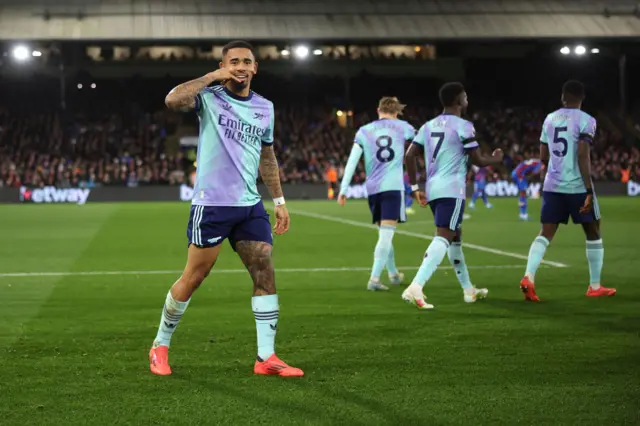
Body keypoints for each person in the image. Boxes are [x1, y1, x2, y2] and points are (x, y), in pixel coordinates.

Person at [149, 40, 303, 377]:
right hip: (213, 204)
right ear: (224, 65)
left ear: (255, 68)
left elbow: (267, 156)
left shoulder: (265, 107)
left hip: (249, 205)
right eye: (233, 61)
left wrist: (279, 201)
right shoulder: (208, 97)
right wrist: (212, 76)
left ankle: (266, 357)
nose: (241, 66)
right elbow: (172, 100)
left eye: (247, 61)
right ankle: (160, 344)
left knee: (263, 267)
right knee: (195, 276)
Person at [403, 82, 503, 309]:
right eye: (465, 96)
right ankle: (416, 286)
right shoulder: (464, 125)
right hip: (452, 188)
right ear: (458, 100)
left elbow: (409, 156)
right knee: (444, 236)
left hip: (433, 188)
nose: (467, 100)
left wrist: (414, 188)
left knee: (455, 237)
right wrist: (496, 159)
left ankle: (469, 290)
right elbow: (477, 159)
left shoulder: (428, 126)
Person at [520, 80, 616, 301]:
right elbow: (583, 154)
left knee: (545, 233)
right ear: (581, 98)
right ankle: (594, 285)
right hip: (577, 186)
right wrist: (589, 189)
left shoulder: (550, 119)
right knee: (593, 231)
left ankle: (529, 276)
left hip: (552, 186)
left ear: (563, 97)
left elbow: (543, 156)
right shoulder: (587, 120)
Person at [337, 97, 416, 291]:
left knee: (384, 233)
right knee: (386, 234)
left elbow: (352, 161)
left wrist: (344, 188)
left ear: (377, 110)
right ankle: (374, 279)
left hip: (372, 189)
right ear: (396, 112)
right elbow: (418, 148)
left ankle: (393, 273)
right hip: (392, 186)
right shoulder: (403, 127)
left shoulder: (364, 131)